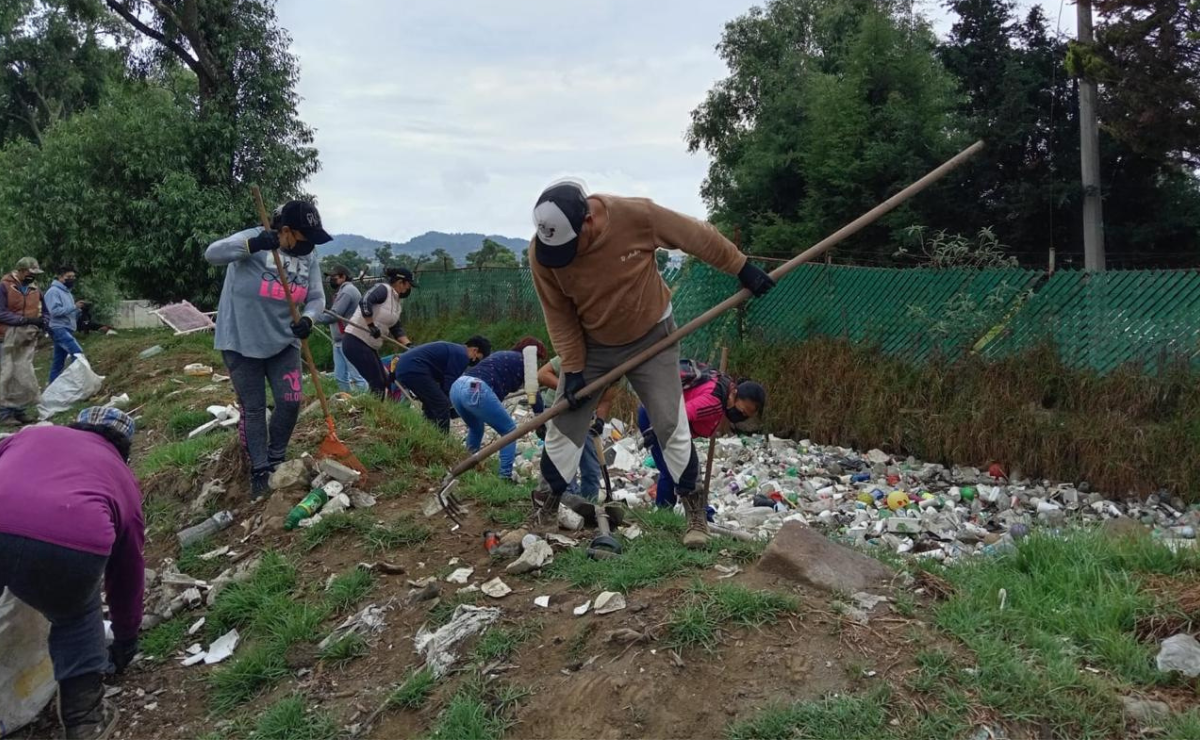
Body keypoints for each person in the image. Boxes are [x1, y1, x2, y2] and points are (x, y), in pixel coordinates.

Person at [528, 180, 775, 548]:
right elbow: (559, 315)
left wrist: (741, 267)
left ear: (589, 221)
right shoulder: (544, 252)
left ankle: (695, 515)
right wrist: (576, 368)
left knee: (670, 423)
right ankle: (544, 511)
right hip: (594, 344)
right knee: (566, 422)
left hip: (653, 337)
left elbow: (695, 235)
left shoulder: (634, 216)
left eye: (570, 245)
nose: (566, 255)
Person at [0, 407, 143, 740]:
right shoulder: (123, 478)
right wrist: (125, 637)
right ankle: (85, 720)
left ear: (77, 425)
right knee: (76, 616)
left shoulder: (33, 434)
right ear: (124, 449)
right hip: (71, 543)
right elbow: (127, 575)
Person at [206, 199, 330, 500]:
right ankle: (260, 469)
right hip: (240, 342)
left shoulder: (308, 258)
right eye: (304, 238)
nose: (309, 246)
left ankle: (277, 458)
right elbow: (212, 253)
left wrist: (309, 319)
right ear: (285, 231)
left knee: (290, 402)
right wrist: (254, 244)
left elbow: (316, 298)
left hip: (284, 341)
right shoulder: (252, 240)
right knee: (254, 408)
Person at [641, 372, 767, 507]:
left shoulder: (723, 386)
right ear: (735, 394)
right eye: (742, 411)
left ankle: (698, 516)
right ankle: (665, 516)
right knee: (672, 471)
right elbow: (682, 413)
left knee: (688, 472)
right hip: (659, 421)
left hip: (663, 419)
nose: (740, 416)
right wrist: (655, 431)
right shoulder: (714, 403)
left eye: (745, 416)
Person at [450, 338, 547, 482]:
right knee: (510, 431)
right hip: (477, 389)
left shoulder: (503, 355)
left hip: (458, 386)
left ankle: (466, 468)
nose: (537, 362)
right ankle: (505, 476)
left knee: (476, 428)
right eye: (538, 358)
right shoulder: (527, 360)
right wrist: (540, 419)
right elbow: (533, 392)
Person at [537, 355, 621, 501]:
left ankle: (590, 501)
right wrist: (568, 390)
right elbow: (543, 374)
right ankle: (565, 498)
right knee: (565, 457)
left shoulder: (619, 368)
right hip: (559, 409)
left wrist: (600, 420)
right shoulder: (580, 354)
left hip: (586, 412)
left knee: (591, 463)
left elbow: (606, 400)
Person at [342, 266, 414, 397]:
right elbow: (365, 301)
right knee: (377, 383)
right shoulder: (383, 289)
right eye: (408, 285)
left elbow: (396, 328)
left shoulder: (396, 304)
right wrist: (371, 326)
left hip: (370, 346)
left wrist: (409, 346)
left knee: (385, 381)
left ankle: (379, 412)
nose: (409, 289)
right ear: (400, 282)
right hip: (355, 341)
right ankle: (374, 415)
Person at [394, 337, 492, 430]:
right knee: (442, 405)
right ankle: (442, 442)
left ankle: (426, 433)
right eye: (478, 358)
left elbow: (444, 384)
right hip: (415, 369)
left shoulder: (455, 350)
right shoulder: (462, 355)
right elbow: (449, 385)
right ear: (475, 350)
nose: (475, 361)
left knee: (433, 405)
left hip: (406, 367)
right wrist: (456, 406)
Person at [0, 257, 47, 426]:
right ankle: (5, 413)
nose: (33, 276)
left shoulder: (35, 288)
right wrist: (25, 321)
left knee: (22, 374)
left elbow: (44, 309)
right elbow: (1, 313)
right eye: (30, 272)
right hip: (5, 337)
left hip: (26, 337)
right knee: (7, 374)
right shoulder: (5, 285)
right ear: (20, 270)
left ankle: (19, 411)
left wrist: (43, 322)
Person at [315, 264, 369, 393]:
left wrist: (311, 318)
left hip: (349, 340)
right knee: (340, 377)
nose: (331, 281)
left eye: (334, 277)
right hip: (339, 341)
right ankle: (347, 403)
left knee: (356, 376)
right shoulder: (343, 291)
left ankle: (366, 403)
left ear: (343, 277)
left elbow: (333, 315)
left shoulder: (347, 291)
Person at [44, 264, 86, 384]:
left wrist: (78, 310)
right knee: (77, 353)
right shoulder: (53, 292)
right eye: (69, 276)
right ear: (60, 277)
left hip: (67, 328)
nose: (72, 279)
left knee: (59, 361)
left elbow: (69, 313)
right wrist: (74, 307)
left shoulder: (67, 293)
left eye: (73, 276)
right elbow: (54, 312)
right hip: (58, 328)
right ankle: (77, 383)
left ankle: (53, 388)